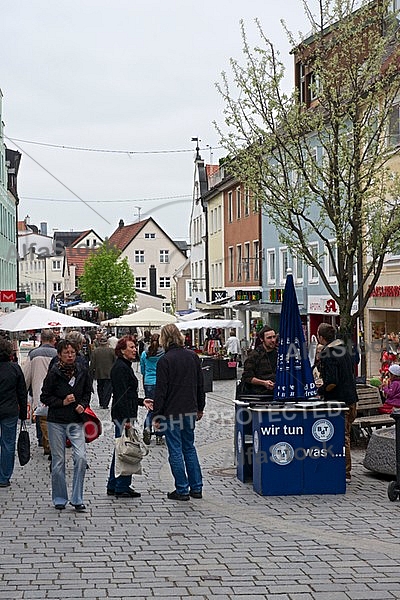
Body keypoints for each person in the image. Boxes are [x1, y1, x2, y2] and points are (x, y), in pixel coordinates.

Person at [152, 323, 205, 501]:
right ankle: (196, 487)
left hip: (172, 412)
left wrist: (156, 414)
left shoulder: (165, 361)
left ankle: (182, 489)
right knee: (189, 448)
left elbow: (161, 391)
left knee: (175, 450)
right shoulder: (193, 357)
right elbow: (200, 385)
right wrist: (200, 407)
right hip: (189, 409)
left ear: (164, 339)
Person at [40, 339, 92, 511]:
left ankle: (77, 498)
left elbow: (86, 392)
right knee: (58, 461)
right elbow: (44, 397)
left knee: (81, 457)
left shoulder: (82, 371)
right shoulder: (54, 373)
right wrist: (62, 402)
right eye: (66, 353)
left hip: (75, 420)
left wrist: (82, 405)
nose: (70, 356)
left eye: (73, 353)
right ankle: (60, 498)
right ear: (60, 355)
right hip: (57, 421)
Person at [107, 336, 149, 498]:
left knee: (121, 448)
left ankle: (114, 483)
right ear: (122, 350)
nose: (134, 349)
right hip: (123, 416)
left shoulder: (125, 366)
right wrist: (127, 420)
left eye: (134, 347)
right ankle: (122, 486)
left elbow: (128, 394)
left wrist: (141, 401)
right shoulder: (120, 368)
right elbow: (121, 396)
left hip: (125, 413)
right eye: (131, 347)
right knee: (126, 449)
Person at [316, 323, 358, 483]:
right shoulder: (343, 348)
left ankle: (345, 472)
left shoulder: (329, 353)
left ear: (321, 337)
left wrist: (321, 390)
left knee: (342, 436)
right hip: (352, 398)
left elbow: (332, 381)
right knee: (344, 434)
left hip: (340, 402)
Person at [22, 329, 57, 458]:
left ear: (40, 339)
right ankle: (50, 441)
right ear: (53, 339)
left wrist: (23, 390)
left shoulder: (33, 353)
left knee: (40, 414)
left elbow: (26, 374)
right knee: (52, 416)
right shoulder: (57, 353)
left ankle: (41, 439)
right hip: (54, 390)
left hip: (38, 389)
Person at [0, 338, 28, 488]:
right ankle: (4, 477)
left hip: (8, 410)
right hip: (10, 410)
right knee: (8, 443)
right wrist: (23, 413)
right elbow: (22, 393)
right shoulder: (15, 369)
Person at [140, 333, 164, 445]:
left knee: (151, 408)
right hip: (160, 382)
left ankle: (147, 428)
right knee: (161, 408)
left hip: (148, 382)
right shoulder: (163, 354)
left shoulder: (145, 353)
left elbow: (142, 370)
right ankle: (159, 434)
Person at [240, 325, 278, 397]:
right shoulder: (254, 355)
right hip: (259, 394)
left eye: (274, 337)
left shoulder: (279, 353)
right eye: (269, 338)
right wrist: (263, 383)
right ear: (262, 339)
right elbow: (247, 377)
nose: (273, 340)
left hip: (277, 393)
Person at [89, 335, 116, 409]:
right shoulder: (112, 350)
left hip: (99, 373)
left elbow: (92, 363)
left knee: (100, 388)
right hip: (109, 373)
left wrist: (90, 372)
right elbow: (115, 361)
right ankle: (105, 403)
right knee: (108, 389)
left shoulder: (95, 351)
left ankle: (101, 402)